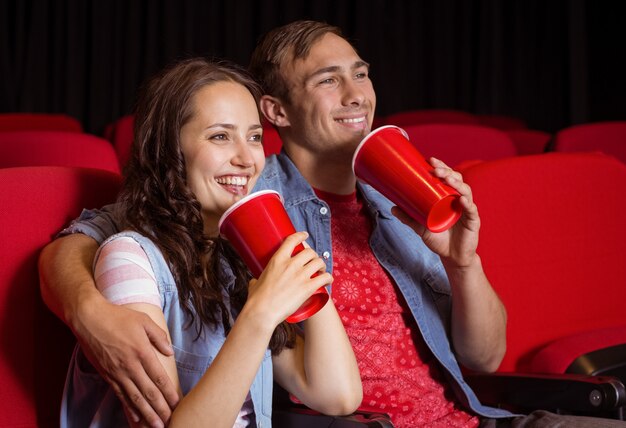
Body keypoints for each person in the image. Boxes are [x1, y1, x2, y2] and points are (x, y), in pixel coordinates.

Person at [40, 21, 626, 428]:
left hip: (474, 413)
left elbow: (484, 359)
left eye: (361, 73)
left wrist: (461, 261)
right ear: (279, 111)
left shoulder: (399, 200)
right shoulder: (246, 202)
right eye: (328, 80)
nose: (357, 95)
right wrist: (87, 309)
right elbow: (103, 231)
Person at [57, 57, 361, 427]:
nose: (246, 158)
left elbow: (338, 394)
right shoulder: (128, 257)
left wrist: (298, 260)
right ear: (169, 151)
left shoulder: (233, 261)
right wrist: (259, 316)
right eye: (220, 136)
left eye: (254, 137)